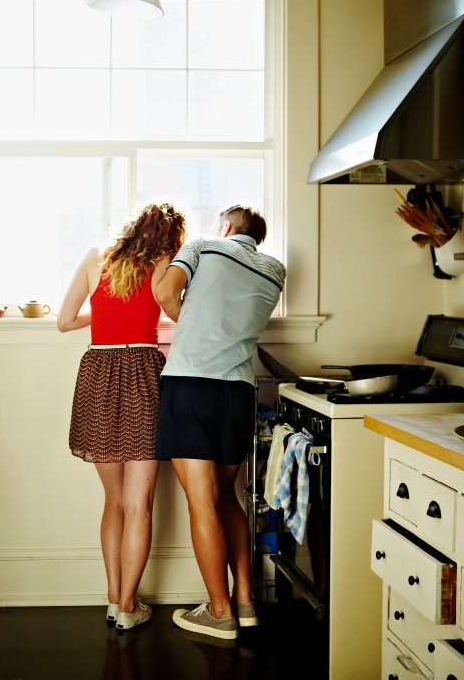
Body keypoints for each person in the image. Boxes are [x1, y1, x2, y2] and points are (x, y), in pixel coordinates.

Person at [154, 204, 286, 640]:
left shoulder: (204, 246)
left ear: (225, 227)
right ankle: (245, 602)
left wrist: (186, 319)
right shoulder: (275, 269)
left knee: (201, 502)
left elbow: (163, 294)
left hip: (190, 384)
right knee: (228, 496)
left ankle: (218, 610)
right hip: (238, 392)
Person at [57, 203, 188, 631]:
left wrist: (109, 312)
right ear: (171, 237)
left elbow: (63, 322)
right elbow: (173, 311)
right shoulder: (164, 264)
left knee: (113, 502)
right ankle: (130, 606)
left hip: (97, 375)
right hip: (144, 377)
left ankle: (114, 599)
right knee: (139, 505)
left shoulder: (97, 258)